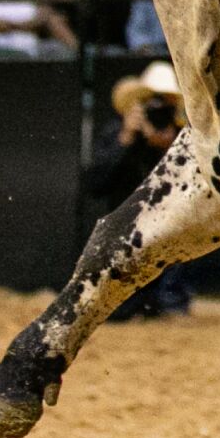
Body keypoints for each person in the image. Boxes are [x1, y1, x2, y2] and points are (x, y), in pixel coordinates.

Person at [85, 61, 195, 317]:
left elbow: (195, 188)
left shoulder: (184, 137)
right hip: (127, 233)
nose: (158, 109)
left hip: (169, 234)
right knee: (118, 308)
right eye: (152, 102)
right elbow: (96, 184)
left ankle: (166, 301)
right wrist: (125, 140)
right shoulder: (120, 131)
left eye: (165, 103)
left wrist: (167, 147)